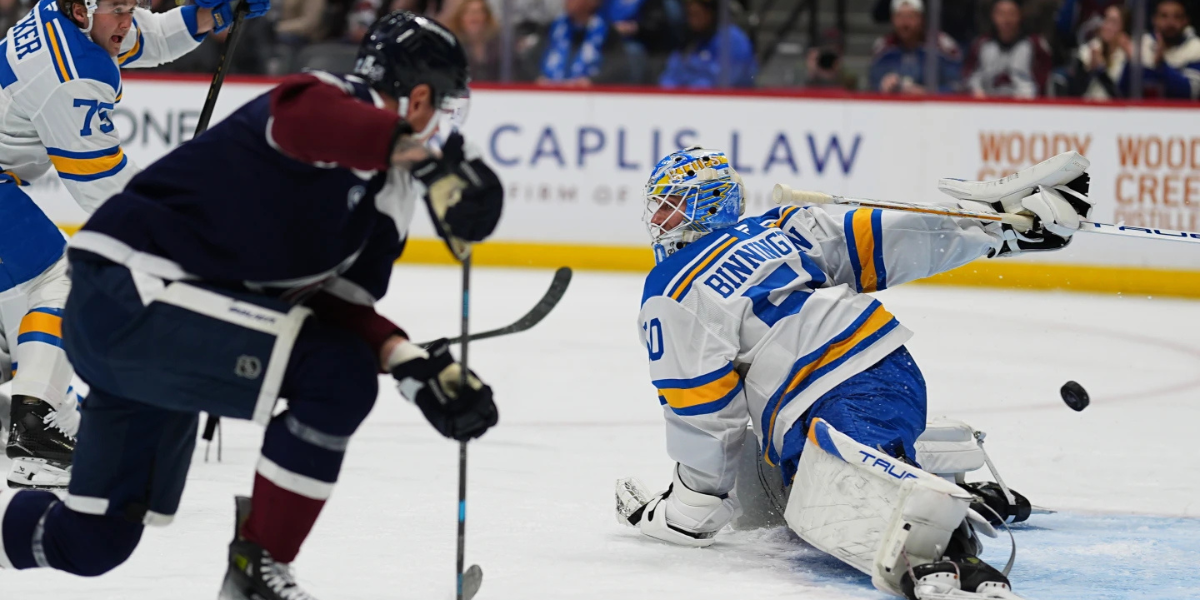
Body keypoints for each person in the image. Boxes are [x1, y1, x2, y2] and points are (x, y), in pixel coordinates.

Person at [0, 11, 503, 600]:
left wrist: (413, 363)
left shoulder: (393, 191)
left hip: (166, 325)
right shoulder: (330, 98)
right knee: (336, 376)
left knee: (91, 543)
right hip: (128, 293)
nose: (442, 126)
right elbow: (302, 118)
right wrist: (426, 160)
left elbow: (337, 306)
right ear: (419, 97)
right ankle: (256, 572)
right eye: (444, 107)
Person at [625, 147, 1094, 599]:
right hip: (889, 368)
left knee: (861, 502)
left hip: (825, 392)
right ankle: (958, 491)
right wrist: (995, 228)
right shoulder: (777, 229)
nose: (657, 220)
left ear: (701, 207)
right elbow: (886, 237)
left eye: (667, 206)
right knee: (823, 485)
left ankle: (947, 556)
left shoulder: (672, 290)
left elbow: (704, 409)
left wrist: (690, 507)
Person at [0, 0, 269, 488]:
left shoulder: (71, 20)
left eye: (132, 6)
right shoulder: (71, 73)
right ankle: (35, 433)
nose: (126, 21)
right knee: (67, 278)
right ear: (83, 11)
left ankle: (24, 411)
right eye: (118, 10)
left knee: (23, 304)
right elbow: (102, 188)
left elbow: (151, 37)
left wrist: (216, 13)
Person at [869, 0, 963, 94]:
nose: (905, 24)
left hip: (933, 107)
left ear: (921, 18)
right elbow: (873, 83)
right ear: (892, 19)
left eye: (910, 17)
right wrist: (882, 84)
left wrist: (926, 92)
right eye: (899, 17)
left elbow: (956, 86)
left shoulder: (942, 46)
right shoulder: (883, 47)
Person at [964, 0, 1053, 98]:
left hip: (1026, 107)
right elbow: (970, 77)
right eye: (1001, 14)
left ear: (1020, 15)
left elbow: (1044, 80)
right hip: (987, 105)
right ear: (993, 16)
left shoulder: (1036, 45)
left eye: (1011, 14)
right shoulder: (981, 44)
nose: (1006, 19)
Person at [658, 0, 755, 88]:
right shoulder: (689, 41)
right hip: (685, 101)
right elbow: (670, 77)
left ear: (711, 11)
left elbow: (726, 82)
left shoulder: (732, 39)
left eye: (696, 13)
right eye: (689, 13)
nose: (692, 20)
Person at [1117, 0, 1200, 100]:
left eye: (1177, 17)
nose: (1170, 22)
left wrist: (1161, 65)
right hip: (1142, 113)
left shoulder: (1196, 48)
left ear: (1185, 21)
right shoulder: (1141, 44)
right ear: (1154, 19)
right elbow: (1121, 93)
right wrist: (1131, 64)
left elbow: (1189, 92)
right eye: (1164, 16)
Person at [1066, 4, 1130, 99]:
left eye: (1113, 22)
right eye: (1105, 19)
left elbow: (1119, 97)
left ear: (1123, 28)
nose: (1107, 26)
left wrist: (1100, 70)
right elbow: (1074, 93)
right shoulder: (1087, 51)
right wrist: (1089, 71)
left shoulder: (1127, 58)